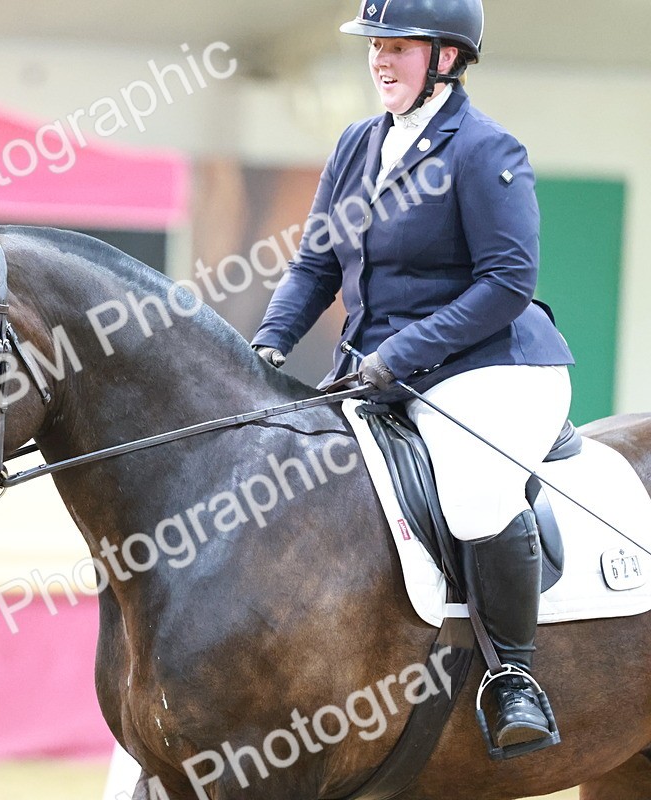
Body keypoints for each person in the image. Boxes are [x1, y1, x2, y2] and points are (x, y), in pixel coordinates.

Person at [250, 0, 573, 751]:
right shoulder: (358, 145)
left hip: (493, 366)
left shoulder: (487, 149)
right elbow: (316, 264)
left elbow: (506, 283)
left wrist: (400, 355)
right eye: (375, 46)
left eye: (398, 47)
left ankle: (513, 677)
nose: (380, 61)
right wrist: (264, 348)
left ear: (448, 59)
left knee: (471, 495)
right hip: (379, 372)